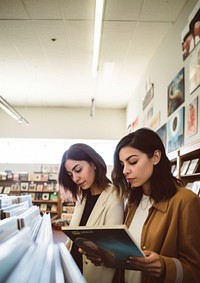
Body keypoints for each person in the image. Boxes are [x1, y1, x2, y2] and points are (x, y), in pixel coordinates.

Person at [85, 128, 200, 283]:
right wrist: (104, 256)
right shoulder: (133, 201)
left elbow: (195, 270)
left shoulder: (186, 201)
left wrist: (165, 267)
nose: (125, 170)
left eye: (133, 162)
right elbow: (127, 257)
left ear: (156, 157)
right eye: (122, 164)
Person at [58, 143, 124, 283]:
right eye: (71, 175)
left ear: (93, 164)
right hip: (73, 271)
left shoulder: (115, 197)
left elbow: (112, 250)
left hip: (95, 275)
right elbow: (74, 237)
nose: (75, 178)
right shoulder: (83, 197)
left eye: (78, 170)